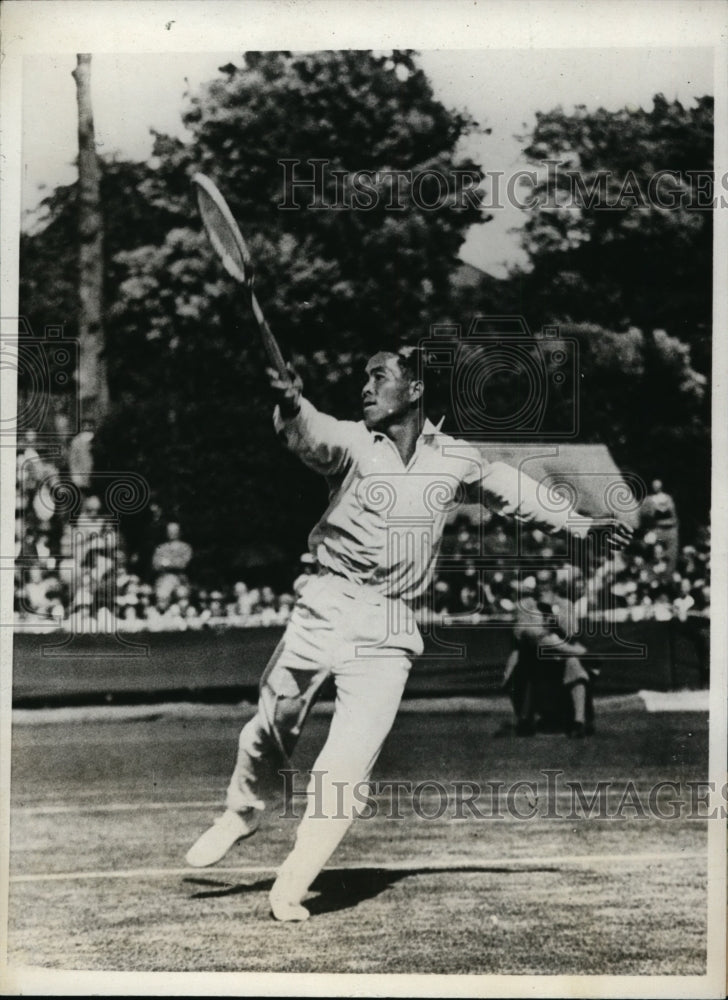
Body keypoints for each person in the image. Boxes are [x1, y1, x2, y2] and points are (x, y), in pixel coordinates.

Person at [185, 347, 632, 921]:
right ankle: (242, 812)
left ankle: (292, 884)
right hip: (326, 600)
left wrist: (581, 525)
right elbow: (309, 433)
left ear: (416, 391)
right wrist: (291, 401)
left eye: (379, 376)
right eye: (363, 377)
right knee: (272, 727)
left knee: (348, 765)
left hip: (392, 622)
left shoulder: (455, 458)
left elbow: (515, 492)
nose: (365, 388)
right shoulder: (350, 442)